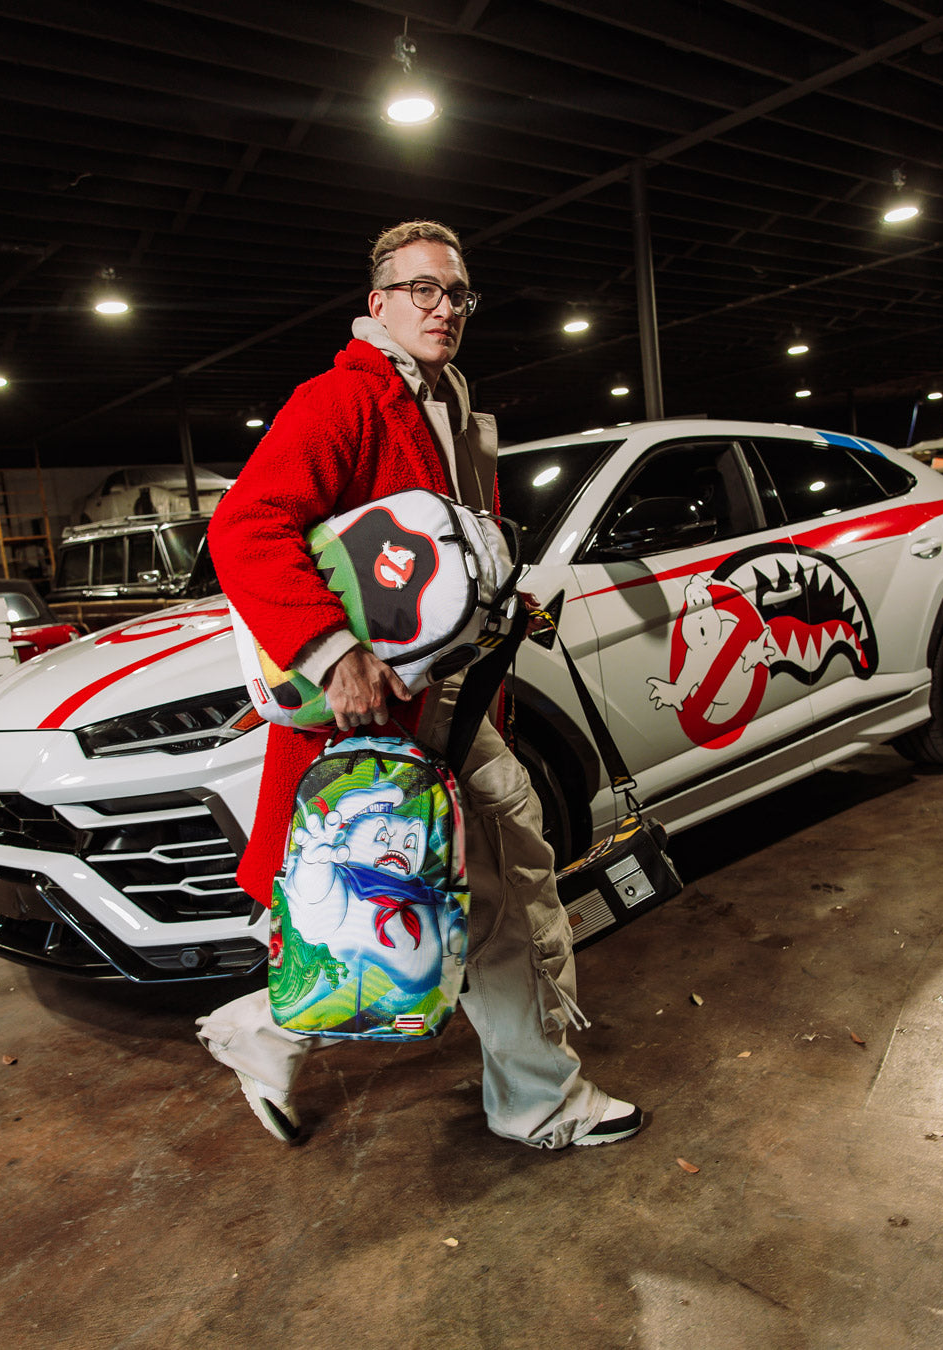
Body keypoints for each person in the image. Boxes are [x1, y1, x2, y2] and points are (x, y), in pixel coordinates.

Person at [195, 220, 642, 1150]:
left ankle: (263, 1032)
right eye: (425, 291)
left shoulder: (443, 404)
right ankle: (537, 1101)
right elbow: (245, 527)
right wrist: (326, 649)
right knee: (497, 897)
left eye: (459, 294)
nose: (446, 309)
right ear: (380, 304)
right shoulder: (343, 400)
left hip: (446, 701)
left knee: (429, 902)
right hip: (395, 707)